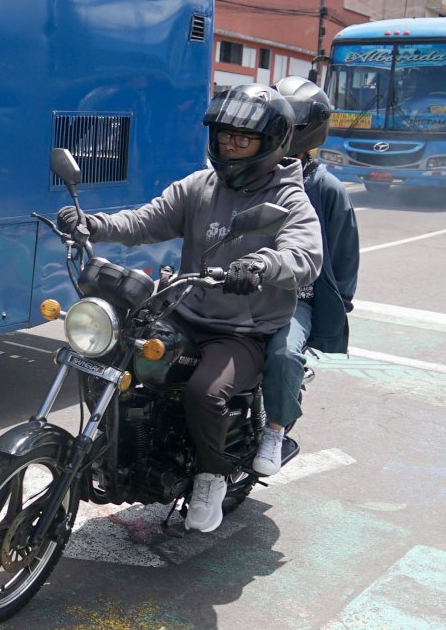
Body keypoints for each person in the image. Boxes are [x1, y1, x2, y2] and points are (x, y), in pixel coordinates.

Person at [57, 84, 323, 533]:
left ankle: (211, 476)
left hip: (241, 329)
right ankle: (117, 444)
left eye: (244, 138)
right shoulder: (200, 186)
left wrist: (262, 264)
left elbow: (305, 255)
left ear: (271, 142)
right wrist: (94, 224)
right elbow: (146, 219)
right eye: (224, 135)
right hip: (183, 309)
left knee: (205, 392)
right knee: (110, 353)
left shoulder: (290, 199)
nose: (231, 145)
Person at [254, 77, 360, 476]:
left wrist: (335, 304)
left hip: (294, 297)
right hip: (236, 286)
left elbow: (344, 255)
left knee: (282, 354)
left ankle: (275, 429)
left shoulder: (326, 188)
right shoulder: (248, 173)